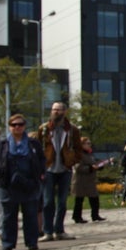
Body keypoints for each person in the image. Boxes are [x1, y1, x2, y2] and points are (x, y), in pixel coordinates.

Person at [0, 113, 45, 250]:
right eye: (14, 125)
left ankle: (31, 241)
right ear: (9, 127)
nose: (17, 127)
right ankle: (8, 243)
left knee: (30, 214)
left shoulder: (33, 144)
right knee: (9, 216)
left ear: (24, 126)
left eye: (20, 125)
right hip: (8, 184)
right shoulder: (2, 145)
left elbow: (42, 160)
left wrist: (39, 175)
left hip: (29, 183)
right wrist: (0, 172)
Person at [36, 101, 82, 241]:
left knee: (62, 202)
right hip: (49, 168)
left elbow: (78, 148)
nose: (57, 112)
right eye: (54, 109)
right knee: (48, 201)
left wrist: (72, 161)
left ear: (65, 112)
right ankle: (48, 231)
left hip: (64, 168)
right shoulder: (44, 129)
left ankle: (59, 230)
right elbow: (38, 147)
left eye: (60, 110)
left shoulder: (71, 130)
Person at [71, 138, 108, 223]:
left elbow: (94, 162)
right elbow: (78, 167)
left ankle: (95, 215)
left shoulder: (90, 154)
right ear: (82, 145)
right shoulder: (78, 154)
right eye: (87, 143)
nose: (89, 145)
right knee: (79, 200)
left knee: (94, 198)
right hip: (80, 181)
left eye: (90, 143)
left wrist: (100, 165)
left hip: (90, 181)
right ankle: (77, 217)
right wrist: (90, 168)